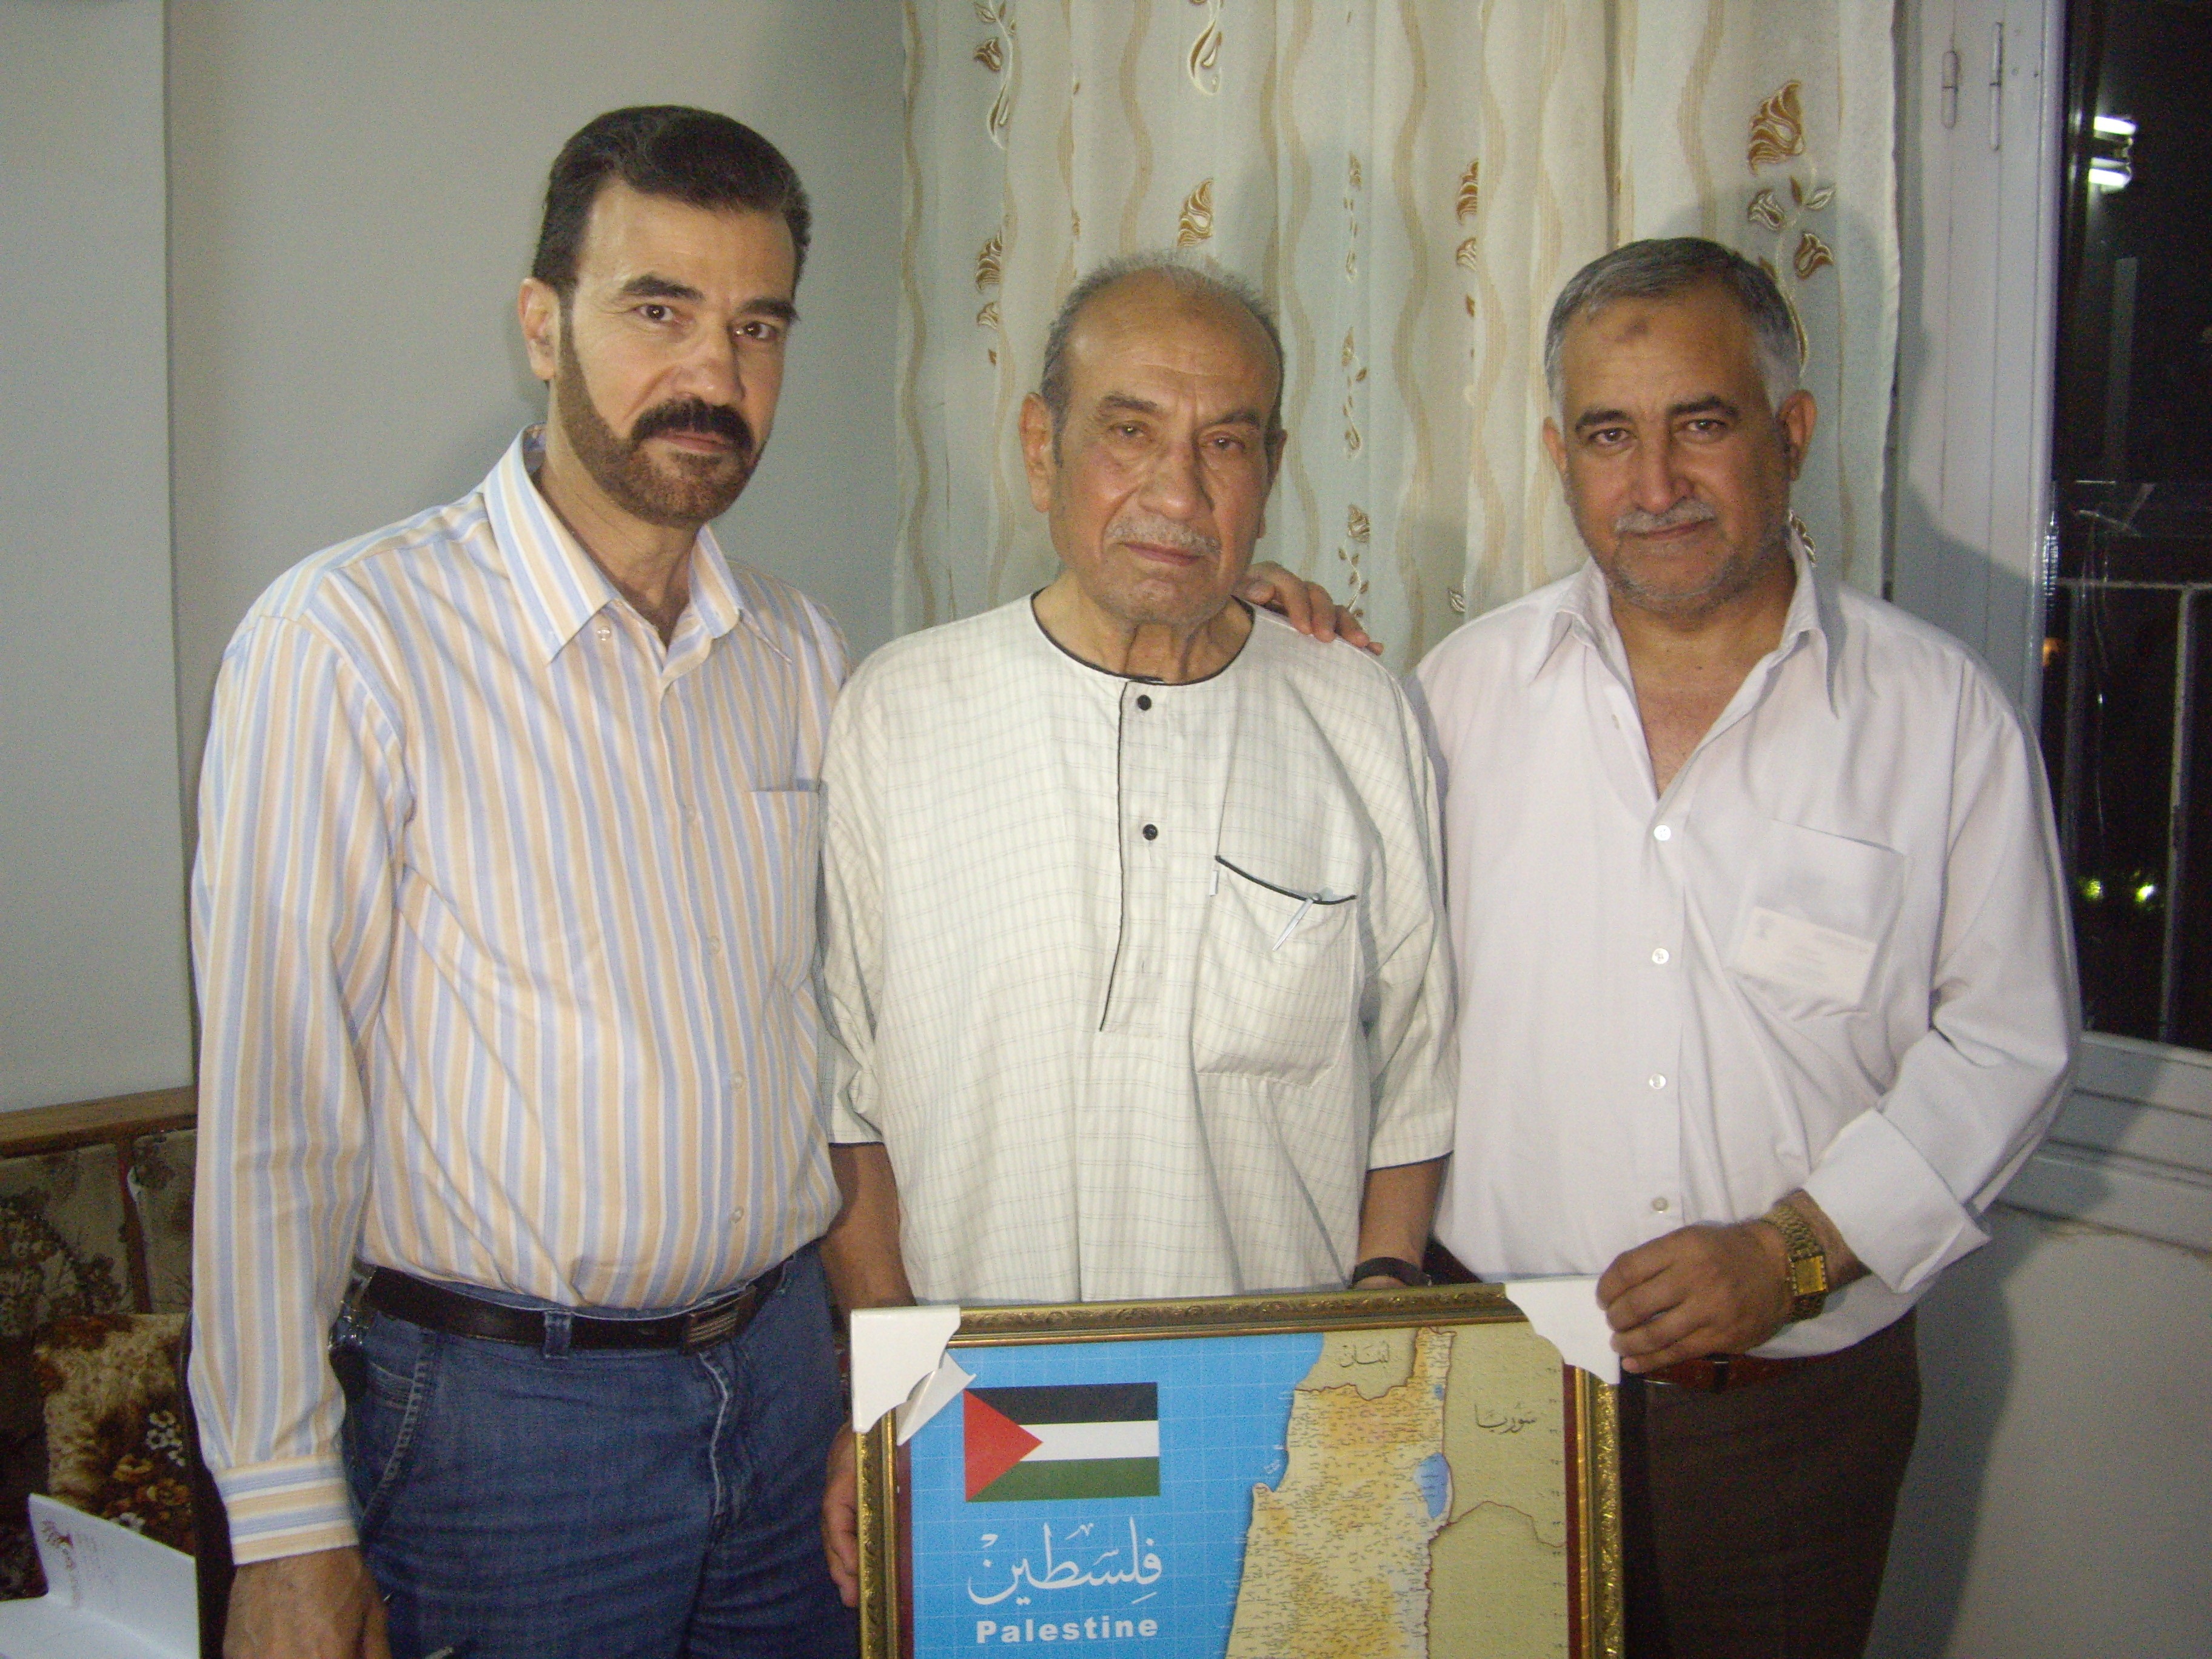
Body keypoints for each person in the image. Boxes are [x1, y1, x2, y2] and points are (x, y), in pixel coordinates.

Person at [1413, 238, 2077, 1658]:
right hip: (1502, 1391)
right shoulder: (1459, 694)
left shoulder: (1938, 717)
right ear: (1561, 456)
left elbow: (2007, 1043)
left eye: (1701, 423)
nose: (1654, 484)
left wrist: (1793, 1255)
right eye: (1610, 435)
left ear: (1792, 431)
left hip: (1792, 1418)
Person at [814, 254, 1457, 1603]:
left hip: (1271, 1417)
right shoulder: (901, 712)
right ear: (1040, 446)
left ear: (1271, 469)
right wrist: (885, 1384)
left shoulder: (1356, 717)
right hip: (977, 1406)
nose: (1178, 492)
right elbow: (843, 1091)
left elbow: (1416, 1067)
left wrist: (1381, 1314)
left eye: (1226, 443)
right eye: (1129, 431)